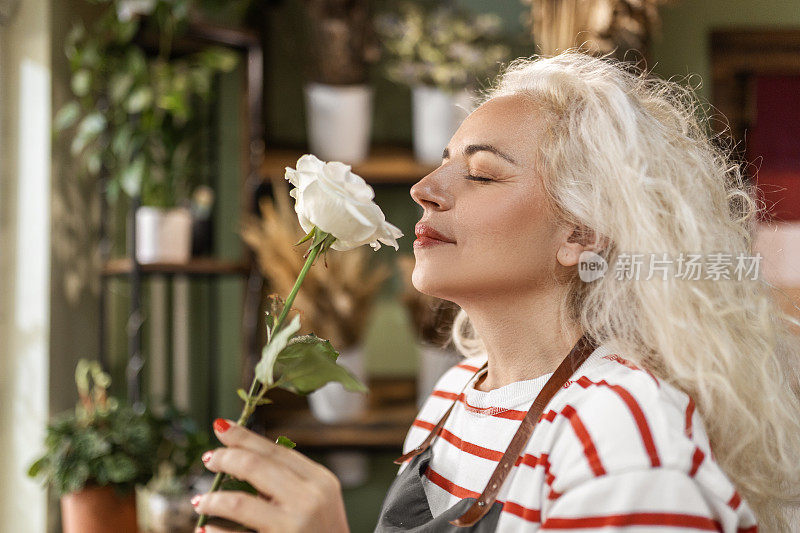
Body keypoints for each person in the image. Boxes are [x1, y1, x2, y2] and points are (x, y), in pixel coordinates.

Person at [190, 50, 800, 533]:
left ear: (581, 233)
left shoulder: (621, 432)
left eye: (481, 173)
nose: (426, 188)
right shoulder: (454, 395)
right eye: (443, 162)